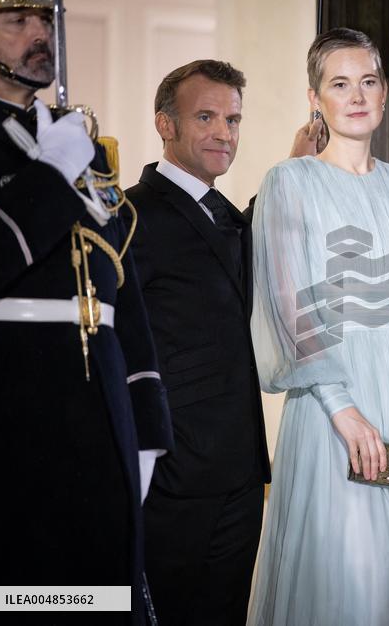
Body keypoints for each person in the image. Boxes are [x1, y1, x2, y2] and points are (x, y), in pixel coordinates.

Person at [0, 0, 172, 622]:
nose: (39, 33)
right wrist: (53, 172)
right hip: (3, 407)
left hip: (100, 407)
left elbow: (119, 288)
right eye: (15, 20)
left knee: (96, 599)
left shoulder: (79, 140)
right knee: (16, 598)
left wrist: (146, 422)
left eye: (44, 18)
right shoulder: (49, 148)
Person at [247, 27, 389, 625]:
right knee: (348, 576)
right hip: (330, 409)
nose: (357, 95)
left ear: (384, 90)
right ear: (315, 98)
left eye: (368, 81)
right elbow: (289, 307)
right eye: (339, 84)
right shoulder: (288, 182)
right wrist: (343, 410)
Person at [126, 60, 270, 625]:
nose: (223, 133)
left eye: (232, 119)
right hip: (173, 475)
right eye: (205, 116)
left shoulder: (223, 212)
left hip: (241, 469)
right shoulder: (132, 213)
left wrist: (297, 168)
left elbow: (240, 259)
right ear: (165, 124)